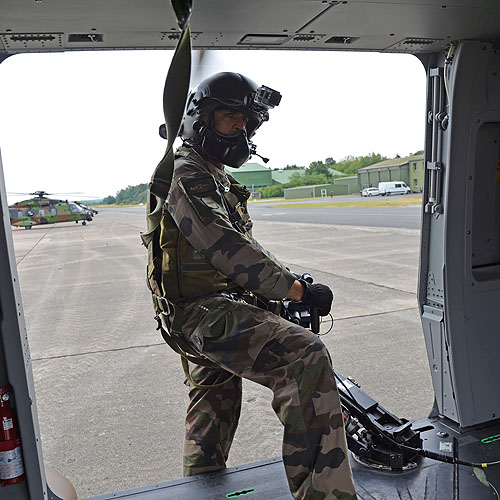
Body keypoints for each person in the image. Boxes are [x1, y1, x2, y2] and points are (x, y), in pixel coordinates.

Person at [150, 72, 357, 500]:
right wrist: (295, 290)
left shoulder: (211, 174)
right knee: (305, 356)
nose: (241, 130)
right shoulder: (187, 172)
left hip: (209, 306)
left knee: (214, 398)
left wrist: (285, 286)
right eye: (230, 118)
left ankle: (201, 488)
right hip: (202, 312)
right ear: (201, 118)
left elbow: (245, 246)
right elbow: (228, 249)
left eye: (247, 122)